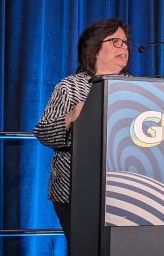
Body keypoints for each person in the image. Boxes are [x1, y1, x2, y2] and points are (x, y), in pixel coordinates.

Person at [34, 18, 131, 238]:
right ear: (94, 47)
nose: (124, 47)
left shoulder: (137, 88)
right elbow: (43, 132)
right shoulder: (70, 86)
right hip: (74, 192)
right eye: (116, 41)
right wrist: (70, 117)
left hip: (123, 194)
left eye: (125, 43)